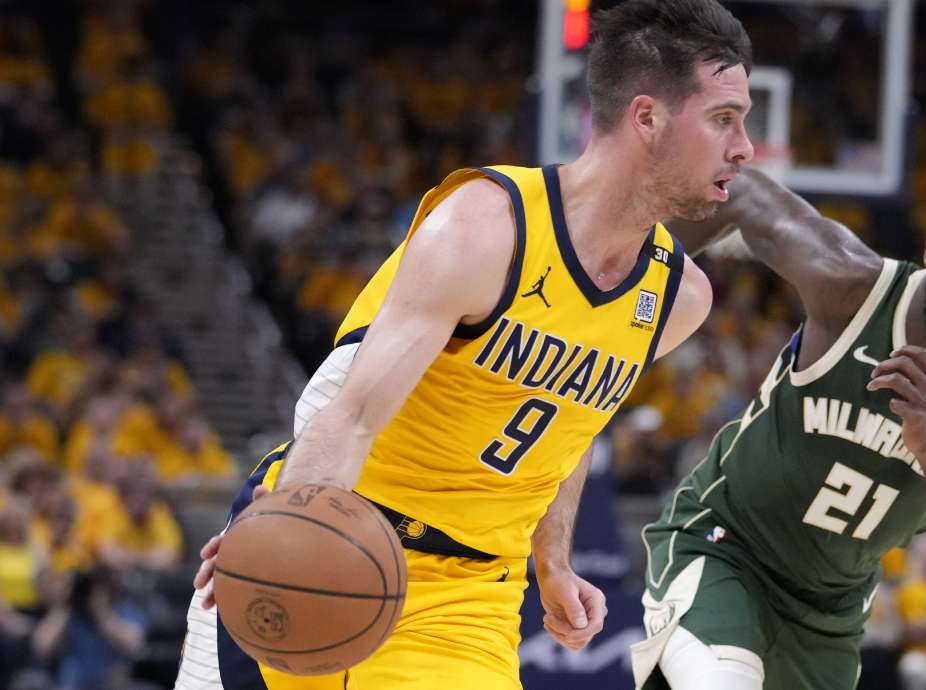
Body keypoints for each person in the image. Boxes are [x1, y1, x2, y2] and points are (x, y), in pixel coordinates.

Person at [176, 1, 754, 689]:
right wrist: (287, 535)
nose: (745, 148)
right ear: (647, 118)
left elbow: (567, 429)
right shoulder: (485, 229)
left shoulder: (680, 298)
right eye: (723, 119)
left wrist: (553, 561)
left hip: (472, 601)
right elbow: (349, 416)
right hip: (344, 546)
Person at [632, 166, 926, 690]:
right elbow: (737, 192)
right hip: (725, 543)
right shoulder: (850, 283)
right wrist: (630, 294)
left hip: (830, 606)